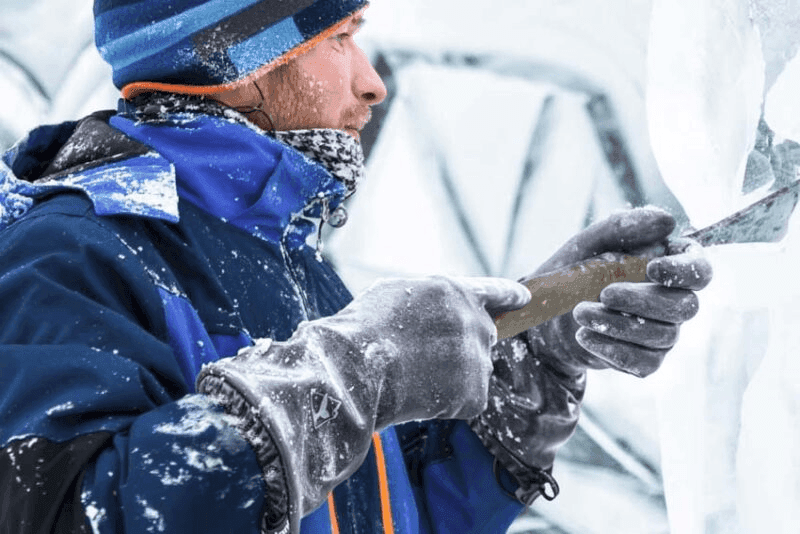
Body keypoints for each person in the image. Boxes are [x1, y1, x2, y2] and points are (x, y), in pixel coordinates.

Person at [0, 1, 712, 533]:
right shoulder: (69, 256)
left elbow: (390, 514)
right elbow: (71, 517)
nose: (371, 83)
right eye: (339, 38)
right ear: (242, 62)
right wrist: (351, 372)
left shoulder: (284, 259)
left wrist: (533, 362)